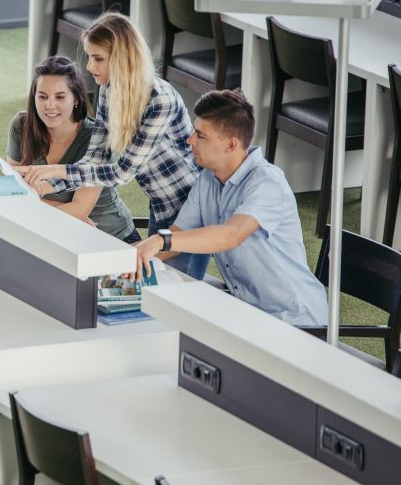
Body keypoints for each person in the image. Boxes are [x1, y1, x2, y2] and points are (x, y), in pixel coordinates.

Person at [15, 12, 205, 277]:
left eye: (98, 58)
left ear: (123, 58)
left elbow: (122, 173)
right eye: (89, 56)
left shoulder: (159, 100)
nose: (89, 66)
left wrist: (55, 171)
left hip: (188, 209)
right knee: (152, 285)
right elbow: (96, 158)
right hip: (159, 203)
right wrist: (41, 187)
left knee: (174, 288)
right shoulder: (108, 89)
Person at [135, 89, 328, 326]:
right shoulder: (207, 180)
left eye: (200, 135)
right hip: (245, 311)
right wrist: (124, 258)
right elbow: (176, 239)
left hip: (294, 320)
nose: (190, 140)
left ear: (230, 144)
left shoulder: (267, 183)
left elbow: (231, 235)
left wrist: (159, 241)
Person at [7, 56, 139, 243]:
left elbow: (79, 208)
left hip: (109, 237)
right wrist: (70, 215)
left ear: (76, 99)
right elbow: (13, 192)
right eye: (42, 96)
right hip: (58, 230)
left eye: (60, 97)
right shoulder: (21, 126)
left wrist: (70, 213)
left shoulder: (97, 138)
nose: (49, 105)